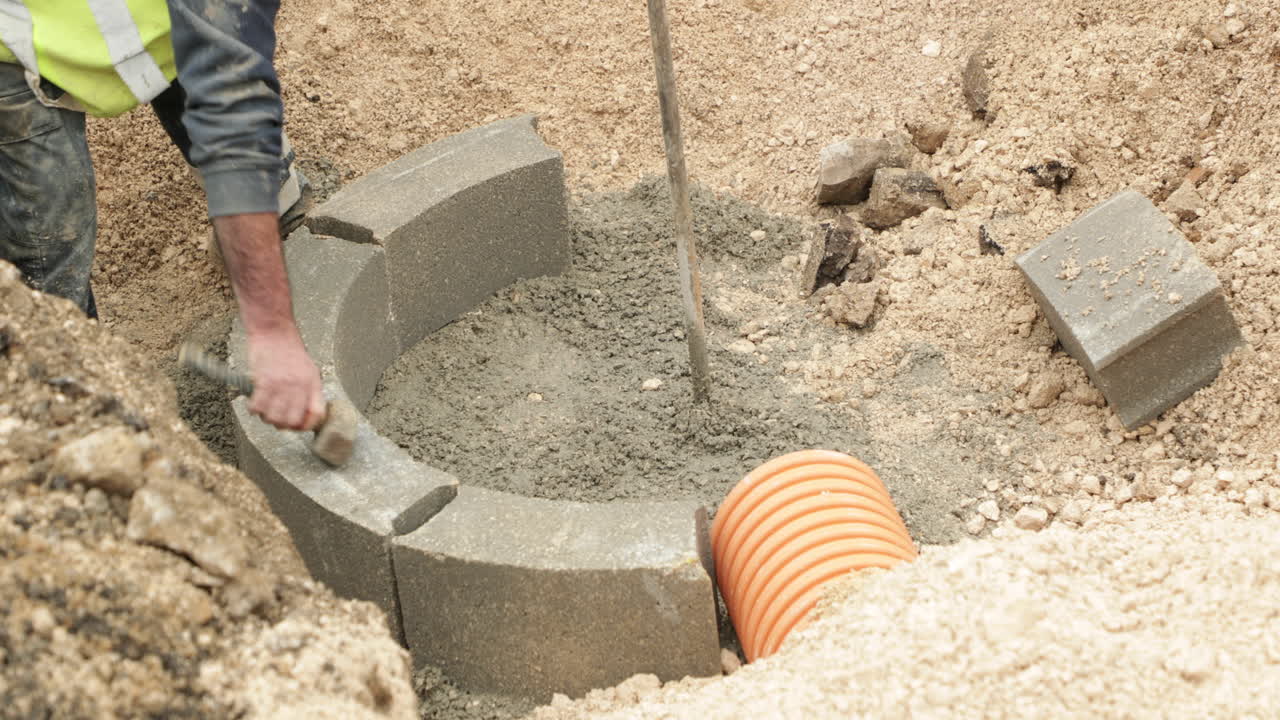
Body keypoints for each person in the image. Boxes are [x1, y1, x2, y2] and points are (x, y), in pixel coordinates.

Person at [0, 0, 325, 432]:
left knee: (246, 133)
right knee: (47, 249)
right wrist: (272, 334)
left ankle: (275, 222)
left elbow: (232, 100)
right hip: (16, 46)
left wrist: (268, 321)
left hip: (167, 25)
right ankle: (83, 411)